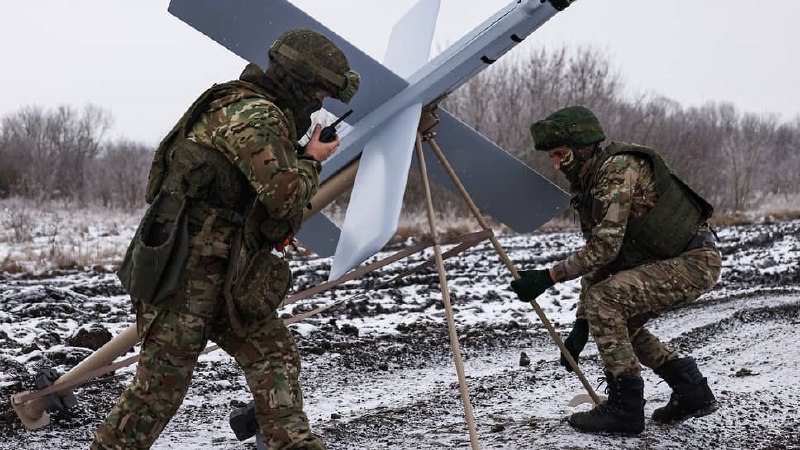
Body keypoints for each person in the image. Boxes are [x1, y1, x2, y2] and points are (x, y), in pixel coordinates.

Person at [91, 28, 359, 450]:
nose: (321, 102)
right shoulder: (256, 115)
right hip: (185, 273)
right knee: (159, 390)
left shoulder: (247, 105)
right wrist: (312, 159)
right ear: (299, 83)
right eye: (320, 92)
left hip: (224, 270)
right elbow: (285, 199)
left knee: (274, 354)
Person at [510, 106, 722, 435]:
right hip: (673, 261)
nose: (555, 164)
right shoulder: (589, 185)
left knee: (606, 303)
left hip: (694, 261)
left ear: (582, 149)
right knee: (615, 322)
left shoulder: (617, 169)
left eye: (560, 154)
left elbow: (604, 248)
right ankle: (692, 390)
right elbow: (602, 259)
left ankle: (625, 409)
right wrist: (581, 327)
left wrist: (547, 277)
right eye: (551, 156)